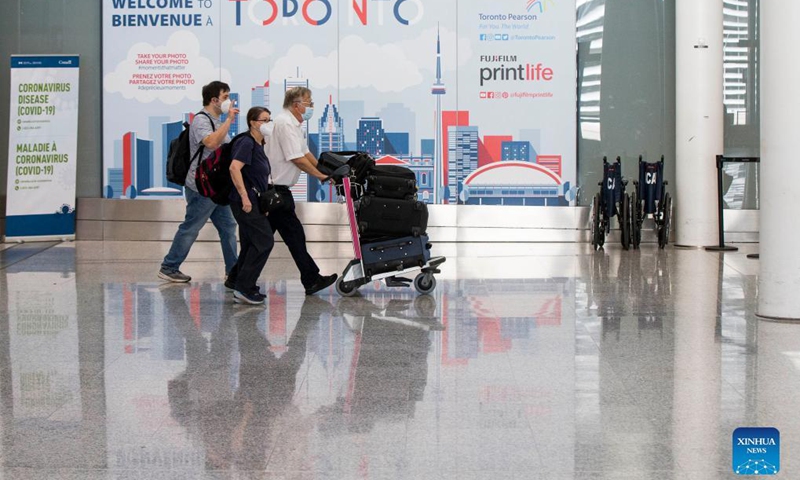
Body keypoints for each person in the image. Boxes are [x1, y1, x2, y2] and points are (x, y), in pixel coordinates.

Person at [159, 81, 240, 283]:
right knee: (191, 227)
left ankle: (233, 270)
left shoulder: (216, 121)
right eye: (225, 97)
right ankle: (169, 266)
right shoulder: (201, 120)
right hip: (201, 186)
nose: (229, 101)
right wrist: (229, 120)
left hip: (216, 187)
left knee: (228, 227)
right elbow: (211, 142)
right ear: (214, 100)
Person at [265, 86, 337, 296]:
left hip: (280, 191)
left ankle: (236, 277)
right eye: (309, 102)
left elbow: (305, 153)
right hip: (277, 193)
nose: (311, 106)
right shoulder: (285, 123)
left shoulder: (295, 125)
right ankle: (311, 279)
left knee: (264, 241)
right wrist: (321, 177)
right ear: (296, 105)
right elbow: (296, 158)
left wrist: (326, 172)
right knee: (292, 237)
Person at [226, 107, 274, 305]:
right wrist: (244, 196)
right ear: (253, 122)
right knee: (264, 241)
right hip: (244, 201)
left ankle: (238, 281)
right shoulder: (246, 142)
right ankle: (244, 288)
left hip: (254, 200)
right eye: (264, 120)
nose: (268, 124)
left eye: (269, 120)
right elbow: (234, 168)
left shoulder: (258, 144)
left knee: (250, 243)